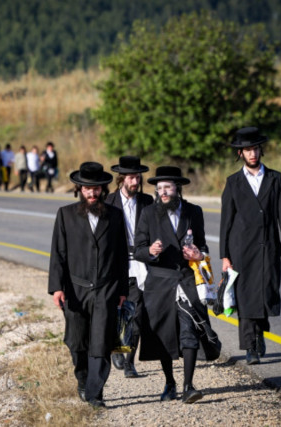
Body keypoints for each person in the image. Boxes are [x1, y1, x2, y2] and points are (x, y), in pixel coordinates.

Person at [48, 162, 129, 409]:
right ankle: (83, 381)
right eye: (87, 189)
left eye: (96, 189)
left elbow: (121, 254)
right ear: (79, 189)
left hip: (106, 289)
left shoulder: (115, 215)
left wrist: (123, 290)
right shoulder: (65, 214)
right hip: (75, 288)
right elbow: (58, 253)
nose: (92, 194)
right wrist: (57, 288)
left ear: (103, 188)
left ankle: (96, 393)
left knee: (101, 342)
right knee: (77, 342)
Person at [219, 127, 281, 365]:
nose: (252, 154)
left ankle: (260, 332)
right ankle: (250, 347)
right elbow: (226, 221)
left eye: (255, 149)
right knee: (244, 298)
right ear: (240, 153)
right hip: (241, 249)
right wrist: (225, 255)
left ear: (260, 150)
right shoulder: (233, 182)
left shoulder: (275, 178)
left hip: (268, 247)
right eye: (247, 150)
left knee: (264, 294)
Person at [134, 166, 210, 404]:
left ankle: (188, 386)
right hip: (160, 281)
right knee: (163, 335)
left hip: (187, 280)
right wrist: (150, 251)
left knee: (190, 331)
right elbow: (138, 250)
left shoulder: (193, 212)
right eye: (159, 188)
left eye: (167, 187)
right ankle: (170, 382)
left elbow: (203, 246)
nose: (163, 192)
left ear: (178, 188)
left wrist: (198, 254)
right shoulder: (148, 213)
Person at [105, 156, 154, 378]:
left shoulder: (147, 201)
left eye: (138, 177)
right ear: (121, 178)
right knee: (117, 312)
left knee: (137, 313)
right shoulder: (108, 202)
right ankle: (116, 348)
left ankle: (129, 362)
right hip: (117, 264)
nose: (136, 181)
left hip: (141, 263)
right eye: (132, 177)